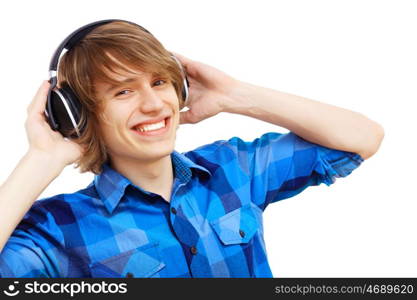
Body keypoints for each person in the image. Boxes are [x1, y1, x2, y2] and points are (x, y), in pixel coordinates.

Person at [0, 20, 384, 278]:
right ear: (79, 115)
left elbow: (362, 138)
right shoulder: (58, 228)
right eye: (123, 91)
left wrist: (236, 96)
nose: (154, 104)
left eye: (161, 82)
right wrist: (42, 159)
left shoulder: (232, 169)